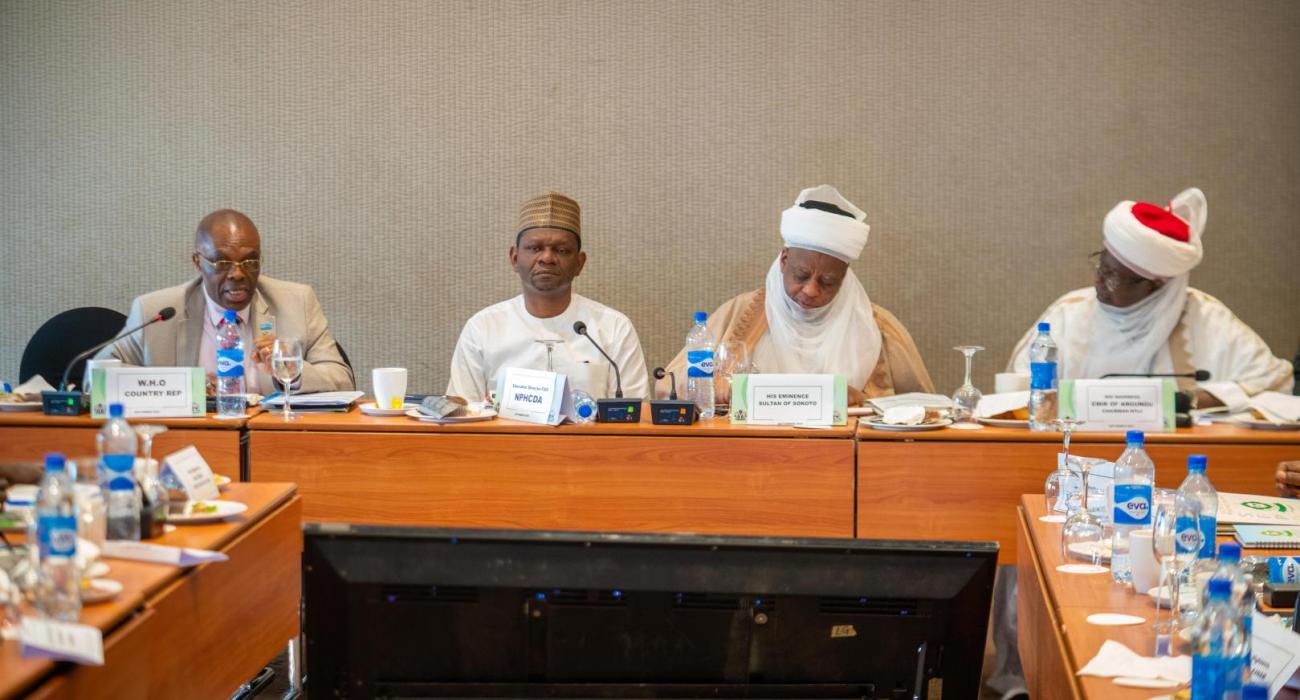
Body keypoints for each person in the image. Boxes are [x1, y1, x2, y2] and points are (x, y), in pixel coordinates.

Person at [1008, 188, 1293, 408]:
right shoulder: (1068, 316)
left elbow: (1276, 383)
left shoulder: (1208, 318)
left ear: (1156, 287)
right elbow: (1016, 394)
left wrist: (1190, 400)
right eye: (1100, 265)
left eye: (1112, 276)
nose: (1097, 281)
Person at [666, 185, 933, 404]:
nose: (811, 290)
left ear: (845, 276)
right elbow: (666, 386)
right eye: (801, 276)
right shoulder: (741, 313)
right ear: (784, 260)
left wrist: (864, 402)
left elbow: (927, 408)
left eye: (828, 282)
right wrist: (715, 388)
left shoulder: (876, 327)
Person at [97, 209, 354, 395]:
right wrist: (187, 383)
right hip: (187, 442)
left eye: (250, 262)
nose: (238, 273)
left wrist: (292, 371)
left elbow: (342, 378)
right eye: (222, 263)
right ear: (198, 262)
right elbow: (98, 378)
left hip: (272, 438)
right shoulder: (156, 311)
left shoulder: (297, 301)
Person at [446, 192, 649, 401]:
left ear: (580, 263)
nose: (547, 258)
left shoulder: (614, 327)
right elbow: (461, 415)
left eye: (561, 250)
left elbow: (635, 415)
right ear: (515, 258)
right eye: (535, 248)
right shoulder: (483, 327)